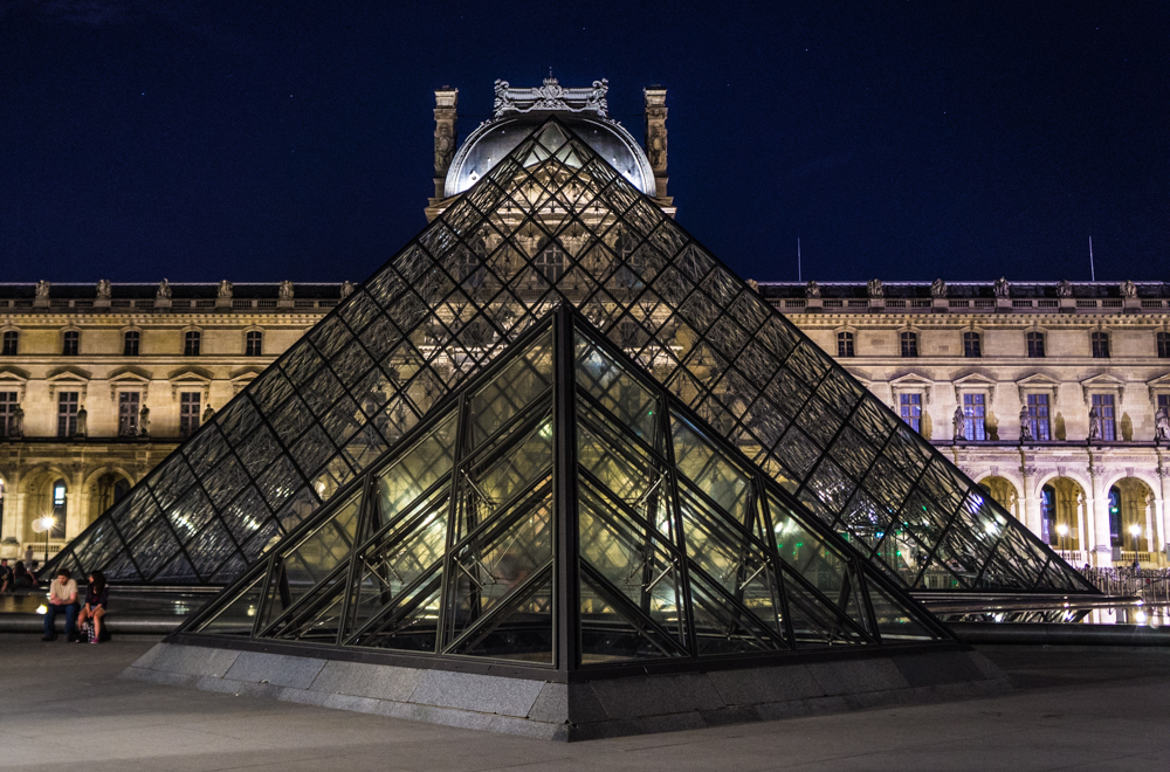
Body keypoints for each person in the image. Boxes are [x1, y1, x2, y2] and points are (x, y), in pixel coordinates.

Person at [42, 568, 78, 642]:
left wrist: (61, 602)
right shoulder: (54, 582)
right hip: (58, 603)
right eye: (59, 578)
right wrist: (56, 601)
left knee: (70, 609)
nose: (61, 580)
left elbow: (72, 599)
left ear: (68, 578)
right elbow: (52, 597)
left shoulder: (72, 582)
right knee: (49, 610)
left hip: (70, 603)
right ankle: (48, 634)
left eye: (63, 578)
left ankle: (69, 634)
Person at [76, 570, 109, 644]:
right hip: (90, 606)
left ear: (95, 578)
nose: (89, 578)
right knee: (81, 616)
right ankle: (82, 633)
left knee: (96, 617)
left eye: (90, 577)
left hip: (100, 607)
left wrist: (93, 611)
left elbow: (102, 602)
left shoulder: (104, 587)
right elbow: (87, 600)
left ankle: (96, 637)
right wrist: (88, 611)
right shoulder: (89, 586)